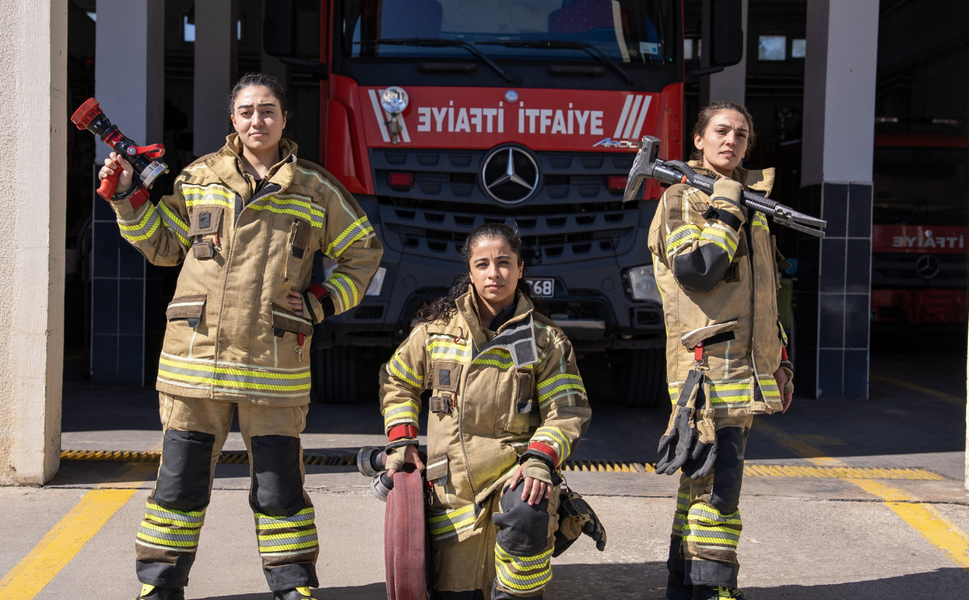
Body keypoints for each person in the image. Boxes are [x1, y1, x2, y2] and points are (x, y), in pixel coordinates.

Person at [98, 73, 383, 600]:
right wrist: (126, 202)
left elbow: (363, 253)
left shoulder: (315, 188)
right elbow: (164, 247)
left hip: (273, 364)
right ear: (233, 119)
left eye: (268, 110)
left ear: (283, 118)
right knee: (178, 486)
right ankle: (159, 587)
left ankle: (293, 586)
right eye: (247, 111)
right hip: (195, 360)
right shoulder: (198, 177)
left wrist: (321, 302)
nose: (258, 120)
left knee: (280, 490)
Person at [379, 223, 592, 600]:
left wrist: (540, 460)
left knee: (529, 509)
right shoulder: (435, 333)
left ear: (521, 269)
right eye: (483, 264)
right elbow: (398, 381)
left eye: (504, 263)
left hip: (515, 475)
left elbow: (567, 410)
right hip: (452, 492)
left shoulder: (546, 341)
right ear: (471, 272)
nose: (494, 273)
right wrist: (403, 442)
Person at [646, 101, 794, 600]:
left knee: (701, 480)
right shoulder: (682, 199)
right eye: (722, 131)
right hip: (706, 369)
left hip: (747, 366)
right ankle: (714, 591)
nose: (732, 140)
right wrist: (728, 207)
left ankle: (684, 586)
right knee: (719, 483)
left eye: (743, 135)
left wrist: (782, 361)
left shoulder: (751, 205)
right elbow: (698, 271)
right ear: (699, 140)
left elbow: (767, 294)